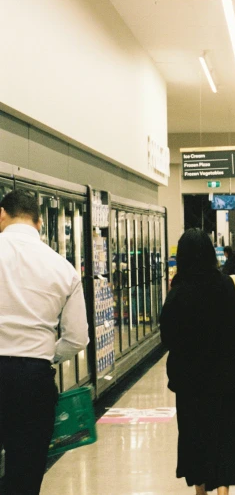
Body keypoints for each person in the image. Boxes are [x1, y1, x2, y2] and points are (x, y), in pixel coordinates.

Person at [0, 190, 89, 495]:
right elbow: (78, 338)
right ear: (39, 222)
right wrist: (44, 356)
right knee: (24, 473)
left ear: (2, 215)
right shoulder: (62, 268)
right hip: (33, 381)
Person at [160, 229, 235, 495]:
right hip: (226, 378)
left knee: (195, 436)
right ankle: (223, 490)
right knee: (225, 434)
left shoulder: (178, 293)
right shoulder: (229, 285)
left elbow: (167, 337)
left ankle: (200, 490)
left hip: (190, 382)